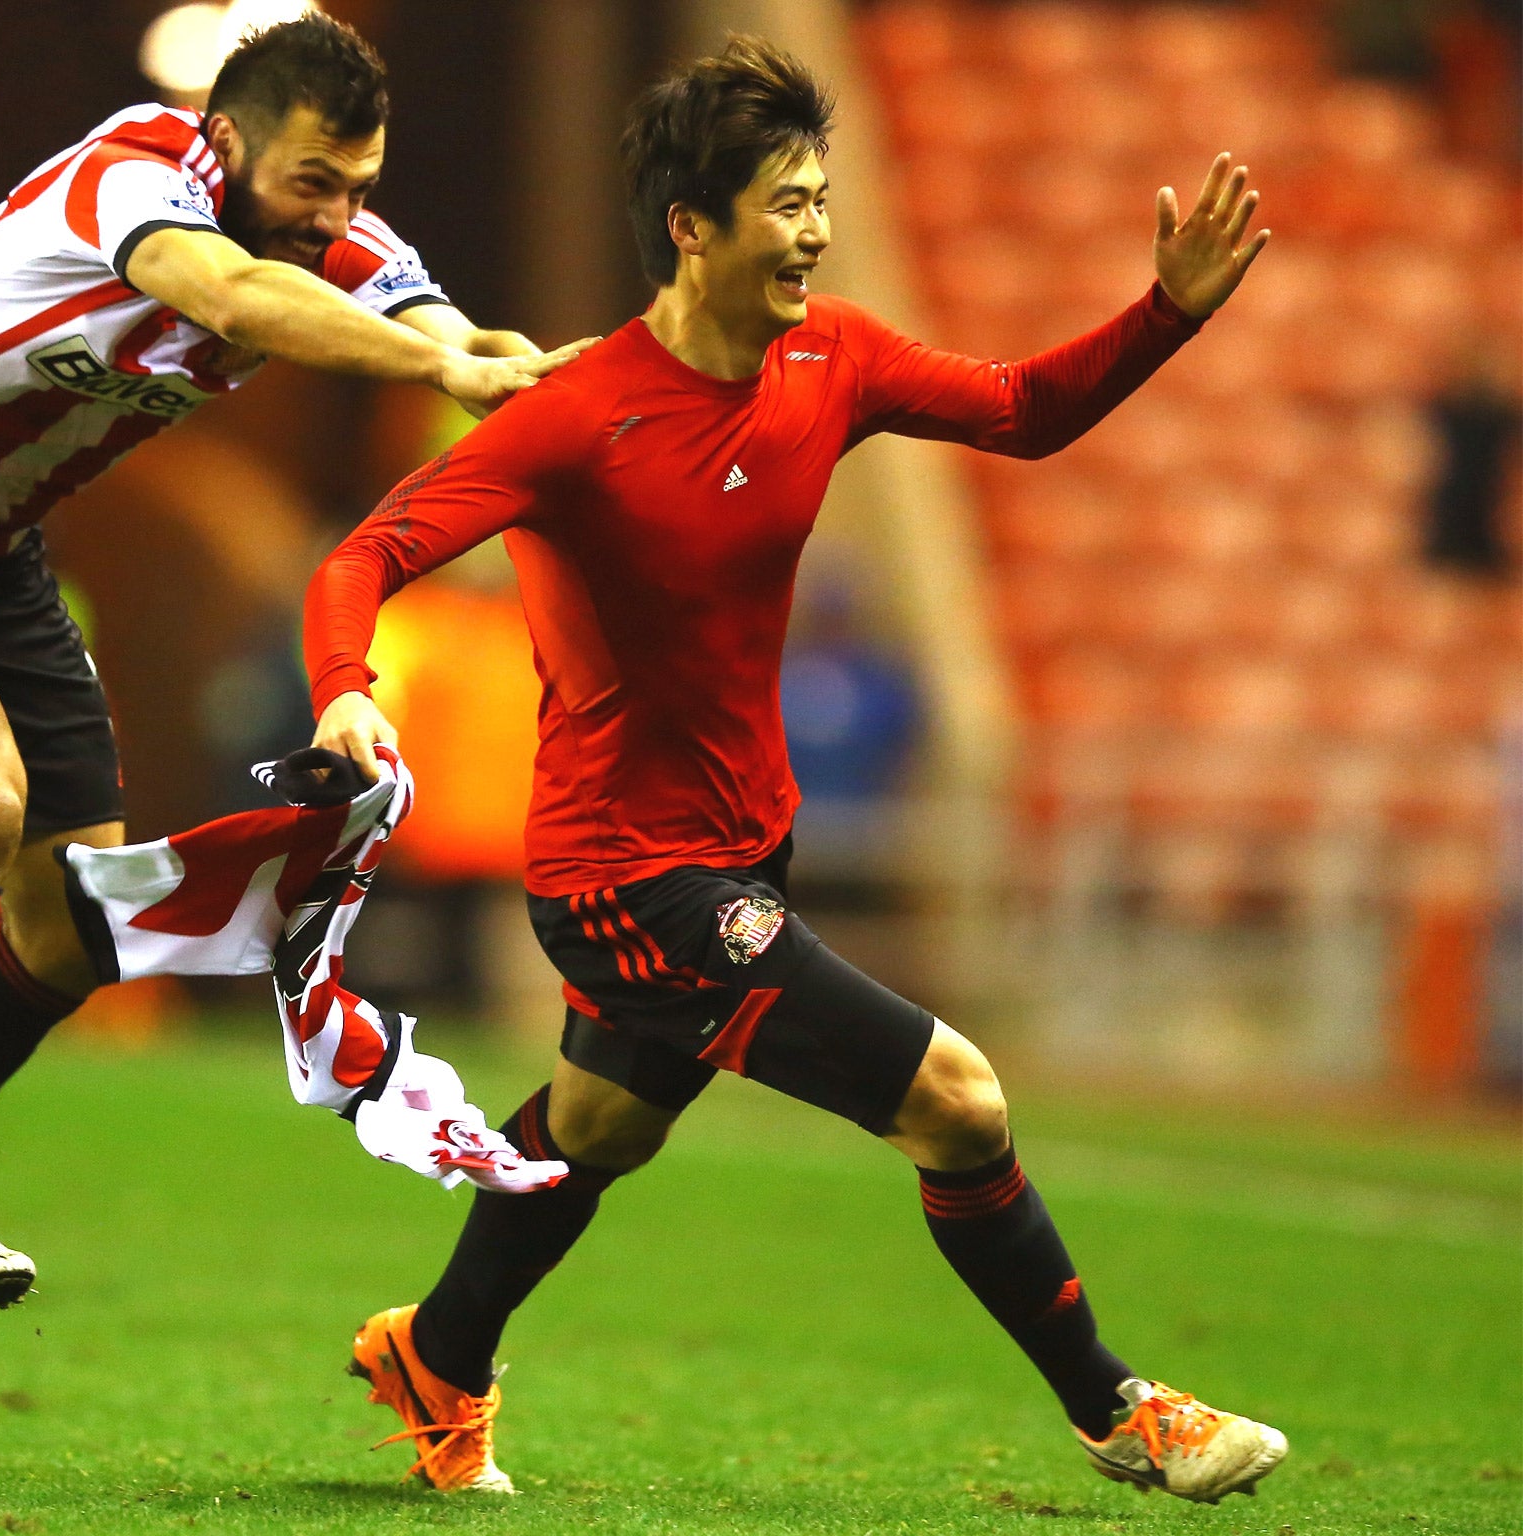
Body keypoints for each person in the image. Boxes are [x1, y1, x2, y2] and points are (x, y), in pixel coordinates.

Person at [304, 36, 1286, 1507]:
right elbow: (365, 553)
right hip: (623, 874)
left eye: (822, 197)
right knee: (956, 1099)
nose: (817, 231)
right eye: (785, 202)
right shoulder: (577, 414)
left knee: (595, 1128)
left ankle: (440, 1355)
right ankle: (1122, 1413)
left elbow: (1023, 413)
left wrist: (1166, 316)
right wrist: (343, 694)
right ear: (694, 228)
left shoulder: (834, 359)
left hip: (743, 847)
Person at [0, 13, 591, 1365]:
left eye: (361, 184)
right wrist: (439, 363)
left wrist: (554, 386)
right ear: (229, 143)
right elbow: (238, 302)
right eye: (313, 181)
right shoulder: (136, 175)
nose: (337, 215)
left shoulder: (342, 245)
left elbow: (452, 327)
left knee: (79, 920)